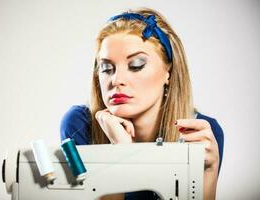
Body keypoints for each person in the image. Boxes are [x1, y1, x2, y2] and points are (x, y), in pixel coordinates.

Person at [60, 7, 224, 200]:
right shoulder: (79, 125)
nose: (117, 80)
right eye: (106, 68)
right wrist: (120, 153)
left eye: (136, 65)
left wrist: (209, 171)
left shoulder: (201, 134)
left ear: (168, 72)